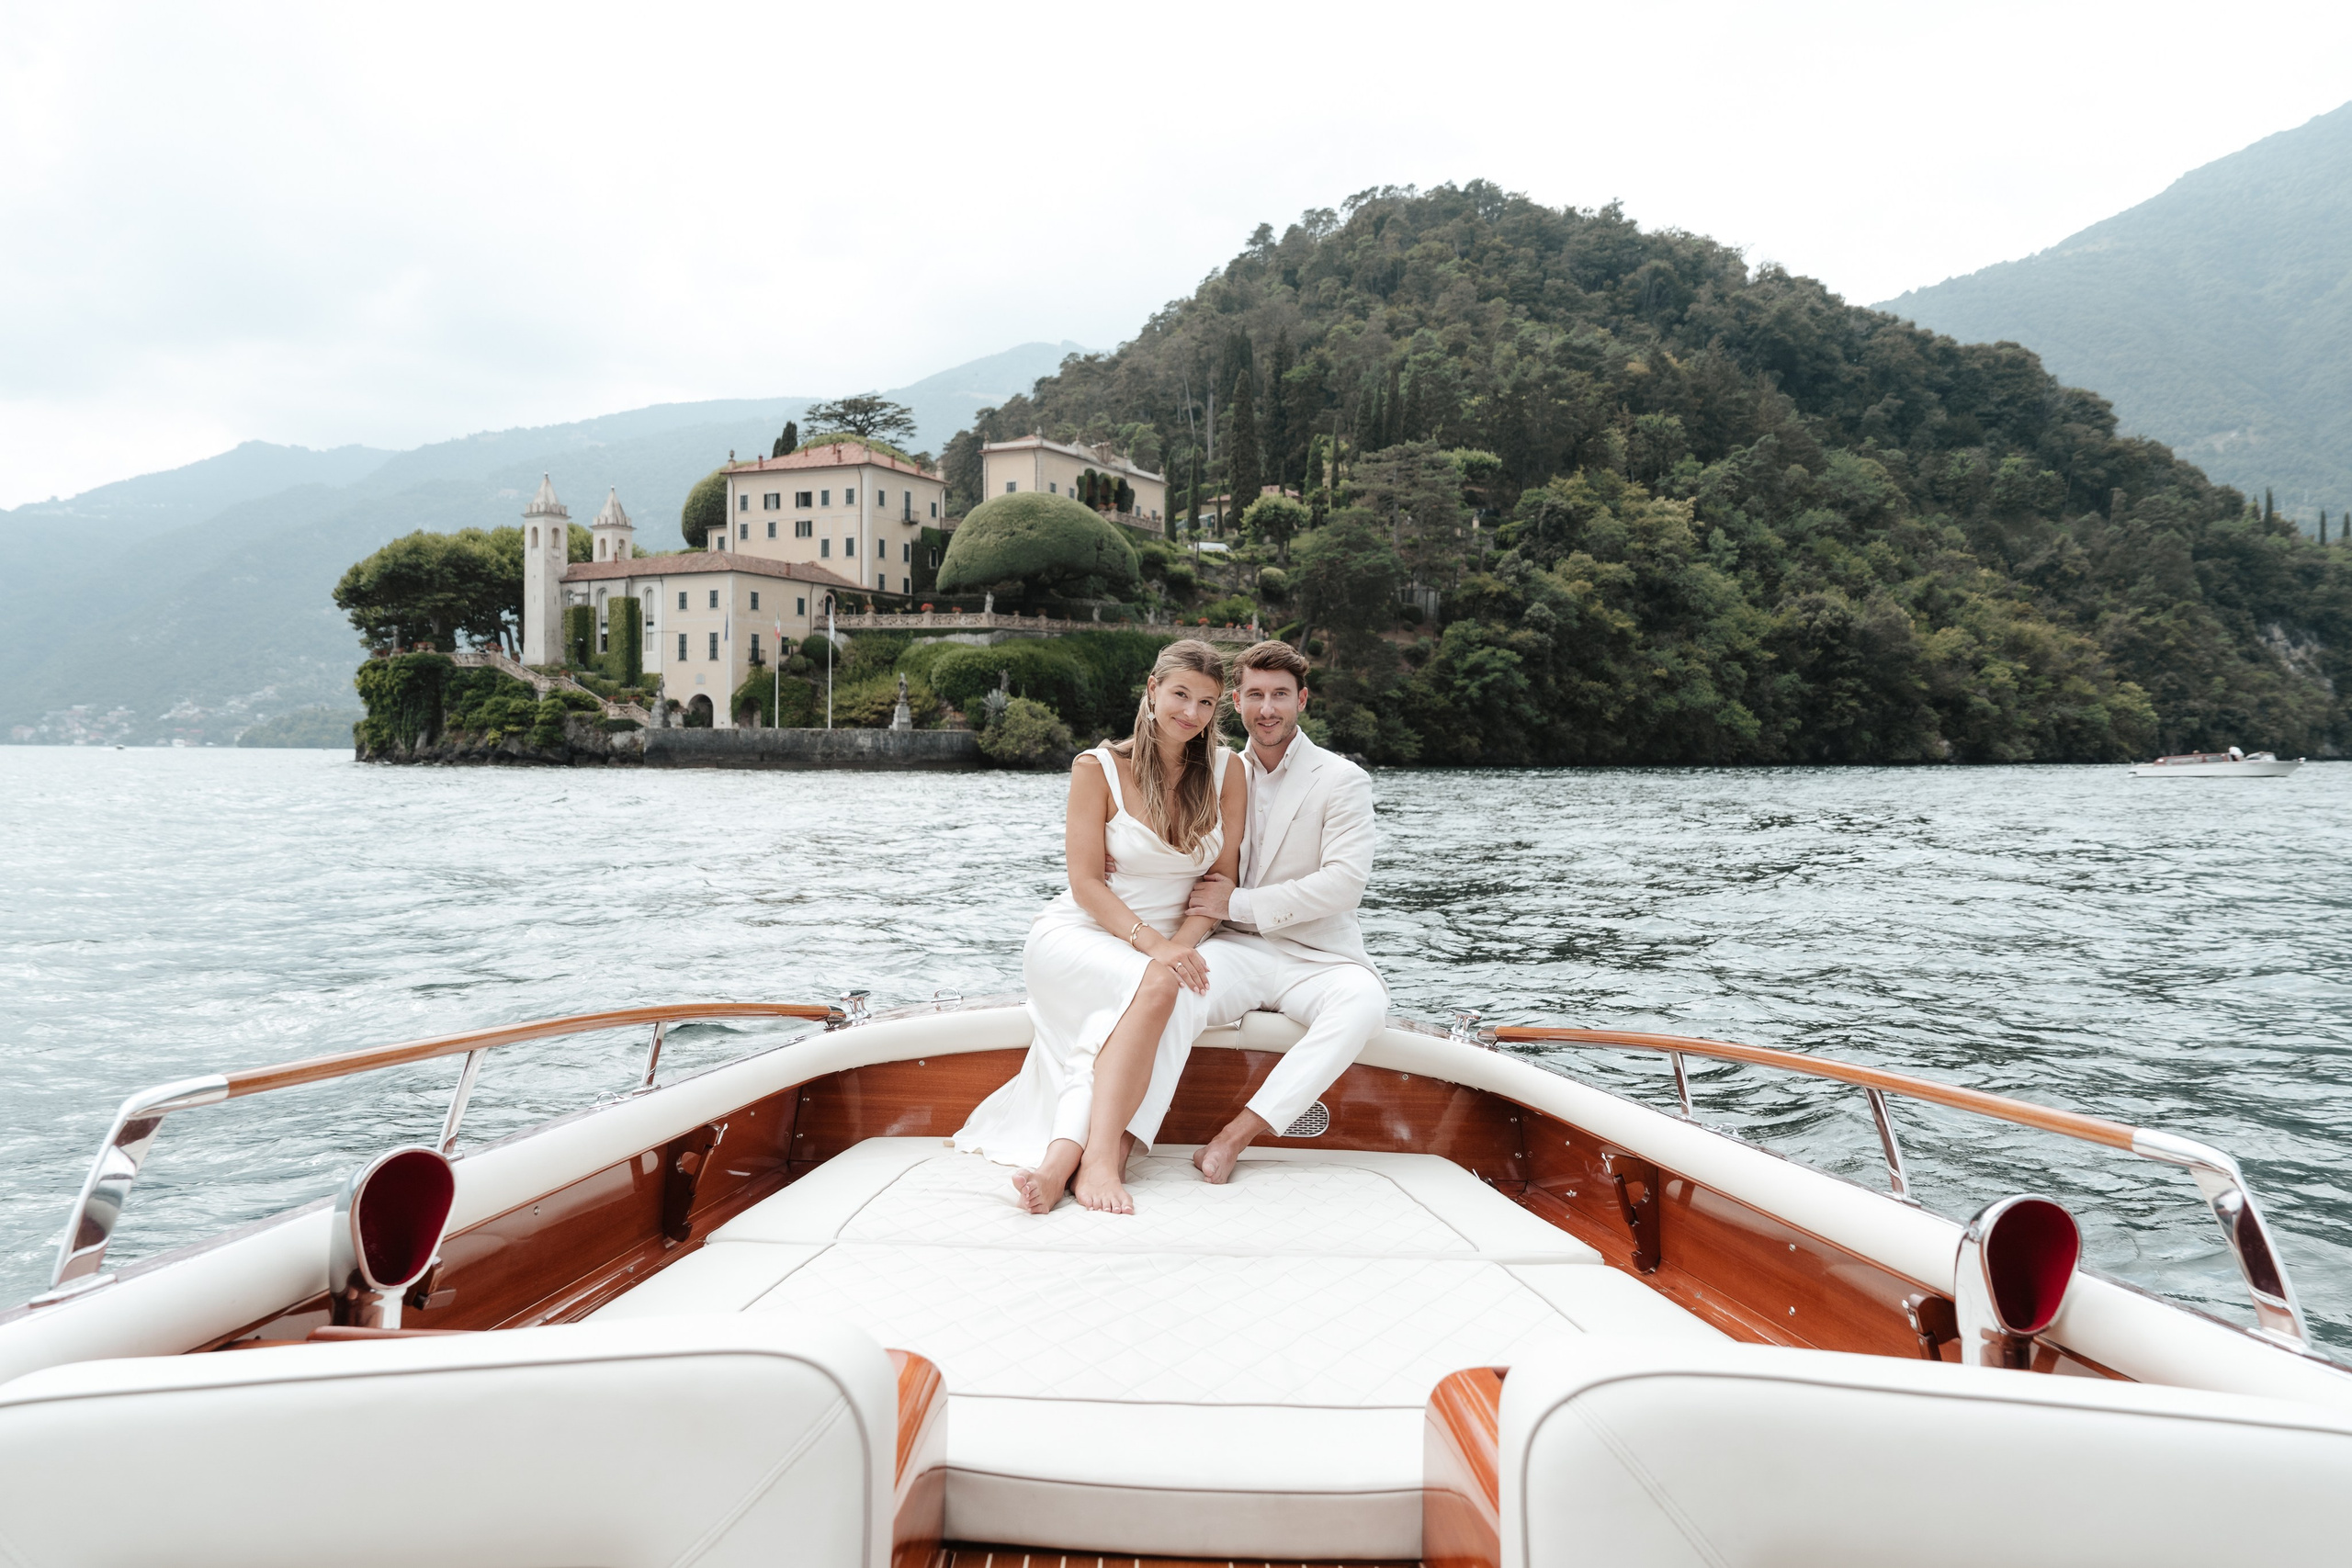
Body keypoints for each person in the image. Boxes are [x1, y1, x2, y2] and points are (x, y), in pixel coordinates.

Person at [953, 639, 1247, 1213]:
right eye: (1180, 694)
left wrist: (1179, 945)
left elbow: (1219, 882)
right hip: (1083, 934)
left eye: (1207, 703)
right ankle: (1102, 1161)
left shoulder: (1226, 771)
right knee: (1155, 983)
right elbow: (1086, 883)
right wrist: (1157, 947)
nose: (1190, 713)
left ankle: (1064, 1159)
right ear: (1152, 689)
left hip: (1166, 941)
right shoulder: (1099, 769)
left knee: (1144, 994)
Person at [1182, 640, 1388, 1183]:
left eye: (1279, 695)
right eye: (1255, 695)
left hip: (1316, 956)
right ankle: (1123, 1137)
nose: (1267, 708)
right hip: (1235, 948)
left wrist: (1240, 902)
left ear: (1303, 700)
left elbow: (1344, 885)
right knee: (1165, 994)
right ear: (1236, 700)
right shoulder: (1215, 772)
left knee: (1365, 1004)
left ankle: (1234, 1137)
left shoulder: (1341, 778)